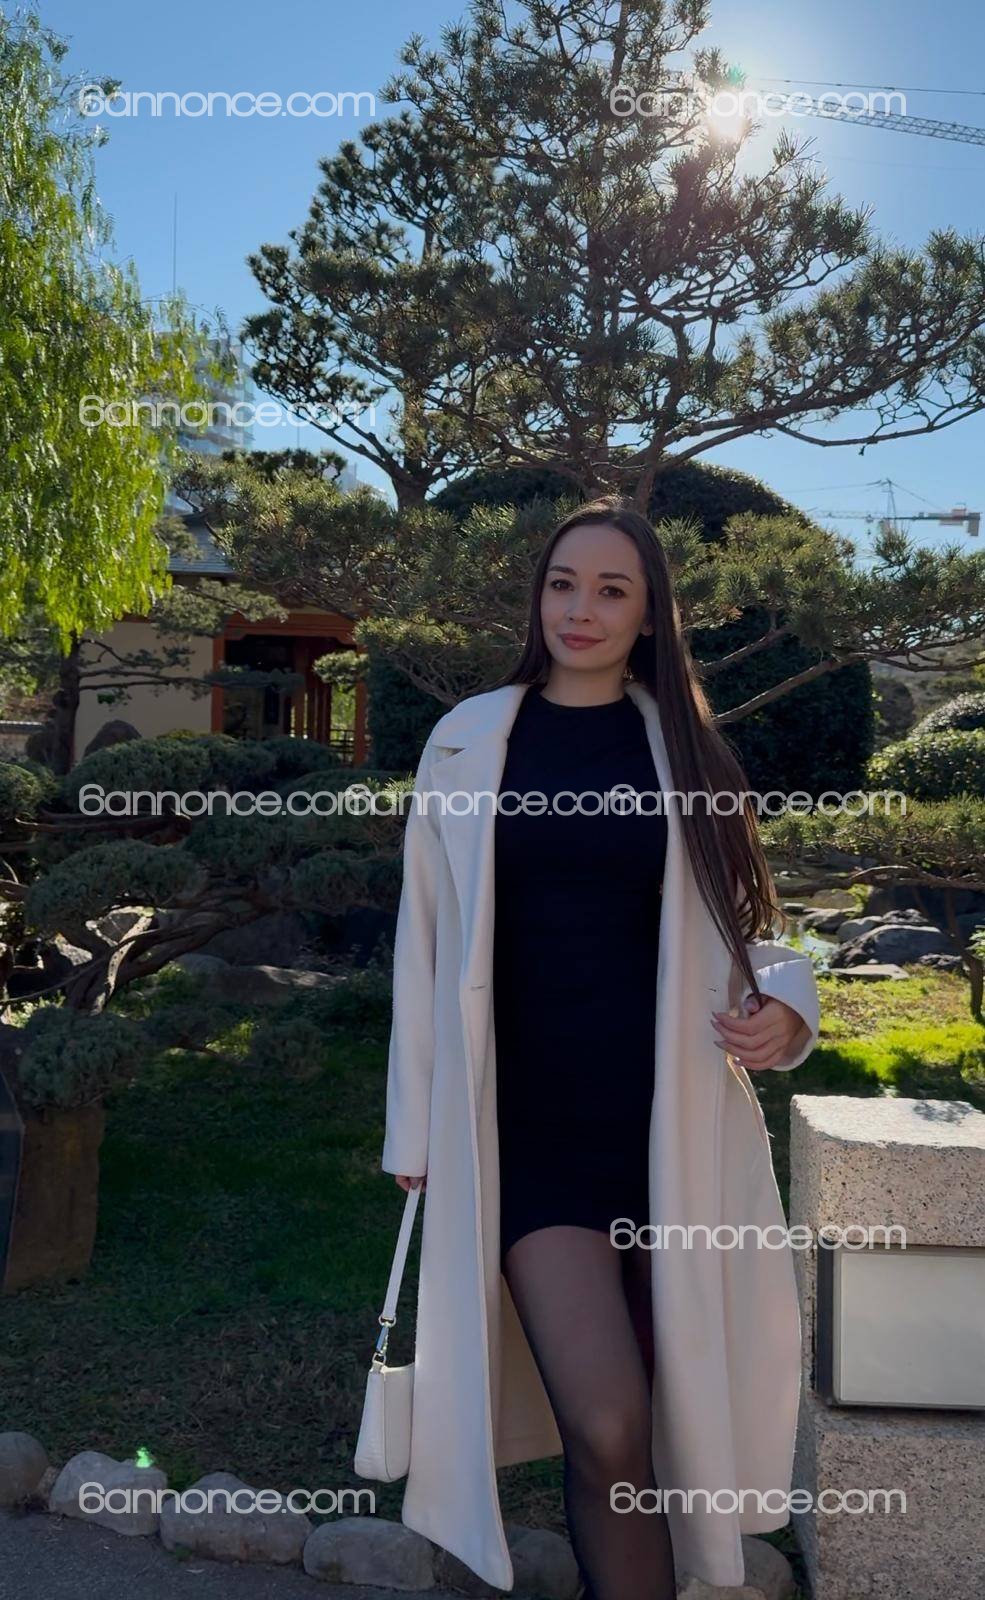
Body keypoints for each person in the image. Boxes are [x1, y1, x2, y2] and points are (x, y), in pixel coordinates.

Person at [385, 496, 819, 1599]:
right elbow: (422, 945)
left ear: (649, 615)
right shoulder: (466, 740)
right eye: (562, 583)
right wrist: (413, 1129)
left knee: (669, 1429)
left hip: (665, 1133)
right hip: (525, 1138)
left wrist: (784, 1009)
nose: (580, 608)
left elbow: (747, 932)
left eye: (611, 589)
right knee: (610, 1422)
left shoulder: (687, 753)